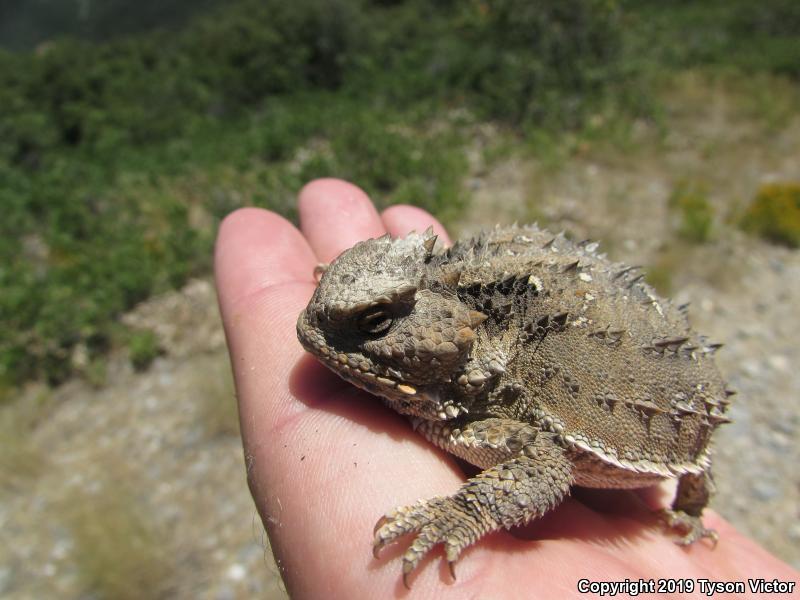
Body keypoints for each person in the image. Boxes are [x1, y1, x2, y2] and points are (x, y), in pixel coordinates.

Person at [214, 178, 798, 598]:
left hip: (674, 407)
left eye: (372, 326)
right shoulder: (450, 319)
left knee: (692, 478)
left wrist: (465, 513)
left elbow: (545, 463)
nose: (312, 330)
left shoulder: (479, 410)